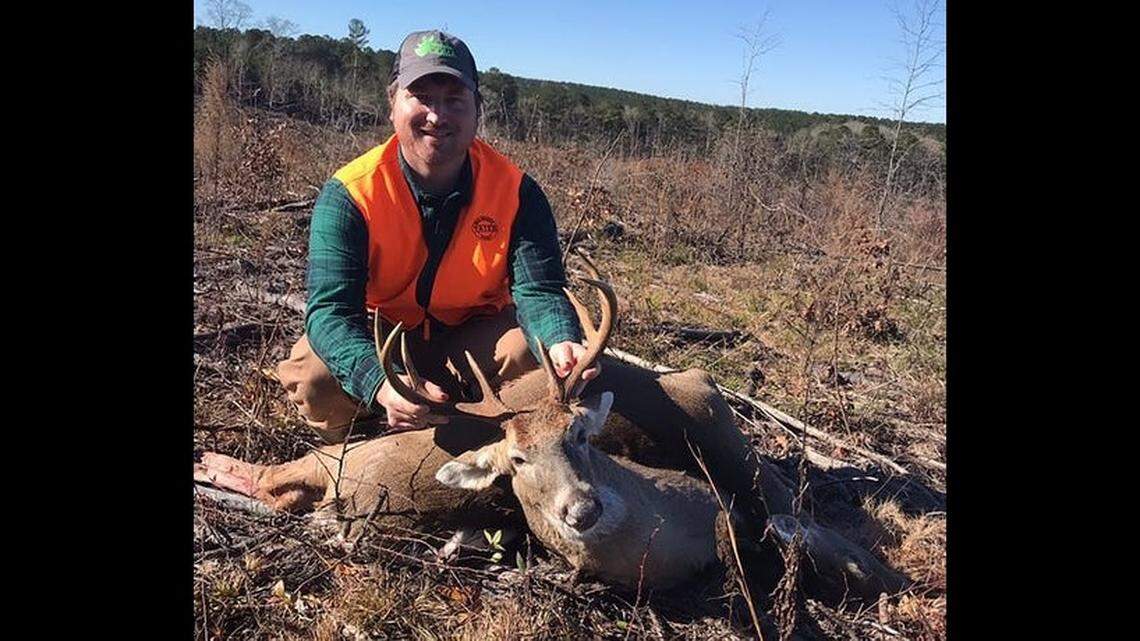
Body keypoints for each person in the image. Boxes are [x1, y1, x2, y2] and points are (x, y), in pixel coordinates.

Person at [276, 30, 598, 443]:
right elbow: (331, 314)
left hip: (472, 337)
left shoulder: (517, 192)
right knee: (315, 378)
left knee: (532, 354)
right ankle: (363, 442)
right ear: (393, 103)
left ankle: (488, 439)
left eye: (454, 99)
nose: (437, 115)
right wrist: (380, 384)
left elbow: (539, 290)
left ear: (477, 109)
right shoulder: (350, 195)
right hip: (381, 340)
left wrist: (559, 342)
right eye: (422, 97)